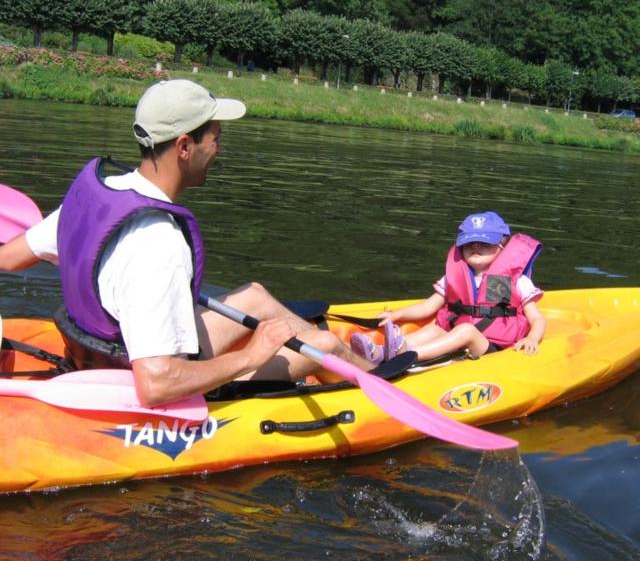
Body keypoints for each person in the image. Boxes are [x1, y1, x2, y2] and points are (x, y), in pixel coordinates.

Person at [0, 79, 373, 405]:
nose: (218, 151)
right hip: (151, 375)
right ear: (183, 147)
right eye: (215, 139)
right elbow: (156, 383)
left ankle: (337, 366)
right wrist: (252, 356)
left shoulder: (96, 196)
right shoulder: (159, 242)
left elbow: (9, 258)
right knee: (325, 348)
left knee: (256, 296)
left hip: (100, 347)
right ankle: (383, 381)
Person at [350, 211, 546, 364]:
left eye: (484, 243)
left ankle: (407, 355)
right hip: (459, 335)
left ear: (502, 247)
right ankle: (379, 352)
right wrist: (396, 315)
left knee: (466, 330)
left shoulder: (516, 280)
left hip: (492, 346)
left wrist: (532, 339)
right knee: (435, 328)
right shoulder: (454, 276)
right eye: (470, 243)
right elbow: (428, 307)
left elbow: (536, 318)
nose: (476, 247)